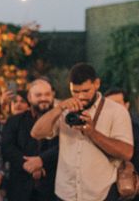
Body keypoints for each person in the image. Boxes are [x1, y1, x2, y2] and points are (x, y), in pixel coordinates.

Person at [31, 63, 134, 201]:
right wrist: (59, 108)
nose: (80, 97)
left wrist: (92, 133)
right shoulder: (64, 109)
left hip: (100, 194)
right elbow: (36, 133)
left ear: (96, 84)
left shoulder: (116, 111)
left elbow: (127, 152)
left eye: (85, 91)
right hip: (65, 193)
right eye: (75, 91)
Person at [1, 78, 58, 201]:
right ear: (30, 97)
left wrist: (42, 161)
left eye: (47, 94)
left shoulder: (60, 121)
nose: (43, 98)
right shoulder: (14, 121)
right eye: (38, 95)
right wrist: (28, 165)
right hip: (19, 188)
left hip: (51, 189)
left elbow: (62, 147)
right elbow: (7, 147)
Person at [105, 87, 139, 198]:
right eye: (109, 106)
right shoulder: (101, 129)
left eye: (117, 104)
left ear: (127, 105)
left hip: (132, 186)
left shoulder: (136, 127)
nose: (113, 110)